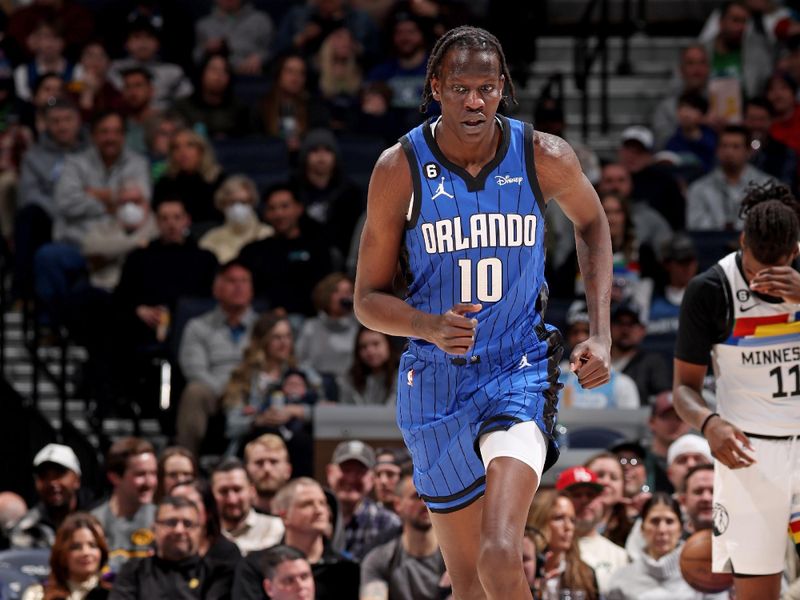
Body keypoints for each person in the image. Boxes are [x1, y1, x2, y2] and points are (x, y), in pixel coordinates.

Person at [353, 25, 612, 600]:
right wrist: (428, 326)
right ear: (436, 87)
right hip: (435, 384)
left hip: (517, 369)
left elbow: (592, 222)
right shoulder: (399, 168)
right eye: (462, 88)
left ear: (503, 90)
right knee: (468, 585)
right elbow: (366, 301)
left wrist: (600, 333)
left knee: (501, 556)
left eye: (488, 88)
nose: (475, 101)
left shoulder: (542, 155)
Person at [673, 180, 800, 600]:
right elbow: (684, 390)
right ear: (742, 241)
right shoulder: (710, 290)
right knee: (755, 593)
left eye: (774, 268)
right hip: (749, 455)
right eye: (753, 264)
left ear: (795, 253)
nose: (762, 279)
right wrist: (708, 423)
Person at [174, 260, 258, 455]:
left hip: (254, 389)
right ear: (216, 289)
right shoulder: (198, 326)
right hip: (214, 390)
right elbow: (195, 370)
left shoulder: (263, 326)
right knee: (194, 391)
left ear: (252, 289)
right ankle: (186, 462)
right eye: (231, 281)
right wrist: (225, 392)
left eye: (244, 281)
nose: (238, 287)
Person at [223, 310, 323, 469]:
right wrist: (257, 420)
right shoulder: (244, 377)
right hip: (254, 443)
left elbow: (326, 412)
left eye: (288, 336)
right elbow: (232, 425)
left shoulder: (304, 373)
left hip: (297, 445)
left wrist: (294, 410)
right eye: (277, 337)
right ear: (263, 341)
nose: (285, 343)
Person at [232, 477, 359, 600]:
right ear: (284, 516)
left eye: (323, 503)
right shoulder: (256, 565)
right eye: (307, 504)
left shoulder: (346, 571)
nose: (319, 510)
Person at [606, 493, 727, 600]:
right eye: (655, 521)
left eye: (669, 521)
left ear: (680, 529)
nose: (662, 530)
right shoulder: (620, 579)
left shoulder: (705, 574)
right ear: (642, 528)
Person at [237, 184, 333, 317]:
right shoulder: (253, 251)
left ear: (299, 208)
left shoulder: (317, 248)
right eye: (272, 208)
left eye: (285, 206)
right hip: (265, 321)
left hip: (310, 320)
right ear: (265, 214)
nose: (279, 214)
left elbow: (325, 291)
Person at [110, 496, 231, 599]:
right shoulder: (133, 571)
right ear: (154, 528)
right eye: (171, 522)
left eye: (188, 524)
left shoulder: (217, 574)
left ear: (201, 531)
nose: (179, 530)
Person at [360, 471, 445, 600]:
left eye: (431, 495)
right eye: (417, 496)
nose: (425, 503)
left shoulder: (456, 557)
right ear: (398, 504)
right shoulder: (379, 559)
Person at [289, 128, 364, 260]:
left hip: (342, 259)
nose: (321, 156)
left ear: (335, 156)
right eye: (315, 150)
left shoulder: (351, 193)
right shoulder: (291, 190)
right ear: (305, 155)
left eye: (327, 150)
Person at [554, 466, 627, 597]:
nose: (584, 500)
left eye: (591, 495)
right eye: (576, 495)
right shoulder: (547, 550)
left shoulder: (620, 556)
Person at [90, 437, 157, 575]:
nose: (149, 482)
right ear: (115, 477)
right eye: (140, 474)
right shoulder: (94, 523)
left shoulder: (162, 520)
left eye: (153, 473)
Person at [686, 125, 773, 231]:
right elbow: (695, 225)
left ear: (748, 151)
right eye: (724, 146)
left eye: (736, 146)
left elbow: (770, 225)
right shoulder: (698, 188)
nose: (729, 152)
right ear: (717, 150)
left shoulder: (767, 186)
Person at [326, 440, 401, 560]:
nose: (351, 478)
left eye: (360, 471)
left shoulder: (388, 524)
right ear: (330, 472)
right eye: (346, 469)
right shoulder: (315, 518)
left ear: (371, 479)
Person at [558, 300, 640, 409]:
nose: (580, 338)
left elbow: (631, 424)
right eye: (575, 332)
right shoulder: (554, 378)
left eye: (587, 332)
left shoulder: (622, 384)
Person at [526, 489, 598, 600]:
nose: (568, 527)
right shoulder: (523, 570)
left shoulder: (586, 574)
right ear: (539, 521)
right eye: (559, 518)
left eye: (572, 520)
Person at [11, 443, 86, 549]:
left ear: (77, 479)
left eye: (59, 474)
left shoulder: (98, 519)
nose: (52, 483)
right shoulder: (27, 526)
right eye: (44, 476)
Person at [21, 512, 111, 600]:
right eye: (76, 547)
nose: (86, 552)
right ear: (62, 553)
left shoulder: (114, 592)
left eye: (93, 545)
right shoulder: (38, 594)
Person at [109, 17, 192, 111]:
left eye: (149, 37)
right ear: (127, 43)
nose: (143, 43)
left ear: (157, 43)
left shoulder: (173, 72)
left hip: (163, 120)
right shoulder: (114, 69)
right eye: (137, 37)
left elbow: (188, 101)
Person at [169, 479, 242, 585]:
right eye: (173, 504)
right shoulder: (157, 552)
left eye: (189, 504)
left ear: (208, 512)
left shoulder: (226, 554)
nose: (180, 512)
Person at [152, 128, 226, 232]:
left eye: (190, 145)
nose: (183, 152)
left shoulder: (218, 180)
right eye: (176, 147)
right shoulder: (165, 183)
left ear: (201, 151)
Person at [210, 458, 284, 556]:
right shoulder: (205, 535)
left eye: (237, 490)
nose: (232, 500)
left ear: (252, 491)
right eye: (223, 491)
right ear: (211, 494)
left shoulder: (275, 527)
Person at [295, 272, 359, 380]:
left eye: (348, 292)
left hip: (350, 386)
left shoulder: (359, 328)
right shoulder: (311, 327)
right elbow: (299, 361)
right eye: (337, 292)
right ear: (326, 294)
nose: (344, 297)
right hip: (318, 385)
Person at [173, 52, 250, 140]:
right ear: (202, 73)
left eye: (225, 71)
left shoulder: (240, 109)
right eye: (214, 69)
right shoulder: (183, 108)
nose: (219, 75)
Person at [199, 175, 272, 264]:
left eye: (243, 202)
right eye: (232, 202)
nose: (238, 207)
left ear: (252, 203)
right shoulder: (210, 239)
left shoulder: (268, 234)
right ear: (222, 205)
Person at [651, 44, 710, 149]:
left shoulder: (719, 104)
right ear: (681, 70)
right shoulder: (666, 108)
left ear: (708, 68)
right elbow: (660, 145)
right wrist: (695, 124)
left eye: (702, 63)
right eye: (690, 63)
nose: (697, 70)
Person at [193, 0, 274, 76]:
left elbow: (273, 51)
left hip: (252, 76)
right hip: (217, 79)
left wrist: (260, 58)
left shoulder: (261, 20)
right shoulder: (203, 25)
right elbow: (195, 58)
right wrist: (206, 49)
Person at [743, 97, 797, 191]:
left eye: (762, 119)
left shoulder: (786, 153)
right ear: (744, 120)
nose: (756, 125)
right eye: (752, 119)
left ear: (771, 121)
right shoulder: (733, 148)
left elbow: (785, 188)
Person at [337, 327, 400, 406]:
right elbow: (346, 410)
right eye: (364, 346)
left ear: (389, 345)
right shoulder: (350, 378)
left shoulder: (404, 375)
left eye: (376, 344)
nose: (370, 351)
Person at [645, 392, 691, 493]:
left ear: (689, 423)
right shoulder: (639, 460)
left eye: (679, 417)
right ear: (651, 422)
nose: (673, 423)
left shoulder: (696, 460)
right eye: (666, 417)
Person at [243, 434, 293, 515]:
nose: (267, 469)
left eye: (274, 462)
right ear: (246, 471)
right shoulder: (236, 518)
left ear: (288, 470)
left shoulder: (300, 517)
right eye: (259, 463)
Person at [119, 67, 158, 155]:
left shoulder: (164, 123)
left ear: (151, 91)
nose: (132, 92)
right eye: (127, 86)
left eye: (138, 85)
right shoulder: (118, 124)